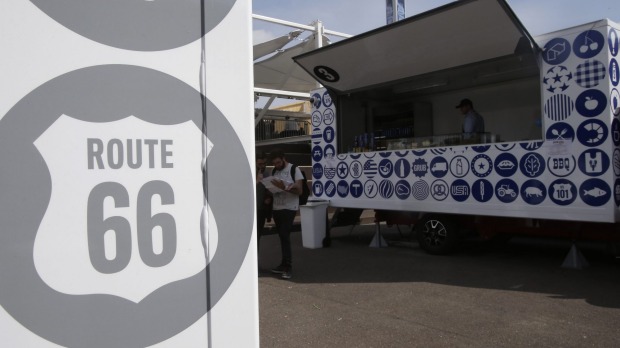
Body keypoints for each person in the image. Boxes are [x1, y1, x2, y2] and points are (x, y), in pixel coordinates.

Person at [268, 148, 303, 280]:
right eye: (274, 163)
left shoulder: (294, 169)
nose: (277, 165)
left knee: (285, 235)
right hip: (277, 207)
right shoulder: (274, 171)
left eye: (278, 162)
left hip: (289, 207)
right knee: (282, 236)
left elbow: (299, 190)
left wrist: (284, 188)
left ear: (283, 159)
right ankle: (283, 264)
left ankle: (288, 266)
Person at [255, 151, 272, 251]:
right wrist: (257, 181)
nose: (262, 166)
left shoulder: (266, 173)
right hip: (251, 209)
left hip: (261, 209)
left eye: (264, 163)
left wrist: (269, 196)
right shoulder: (250, 171)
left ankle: (257, 262)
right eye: (260, 164)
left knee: (258, 236)